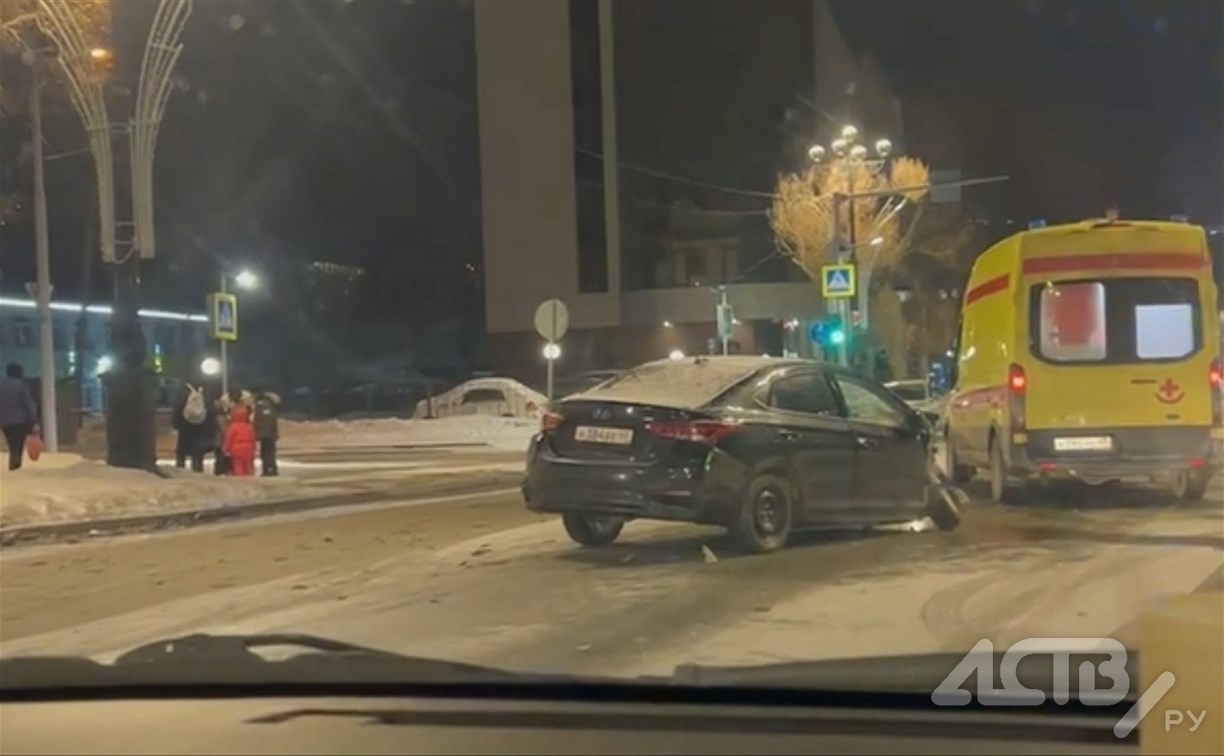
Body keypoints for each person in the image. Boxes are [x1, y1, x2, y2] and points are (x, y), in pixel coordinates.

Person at [0, 363, 40, 471]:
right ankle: (15, 466)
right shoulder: (22, 386)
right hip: (19, 421)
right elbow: (29, 404)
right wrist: (34, 420)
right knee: (17, 444)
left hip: (4, 421)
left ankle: (14, 463)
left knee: (12, 443)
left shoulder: (1, 385)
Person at [171, 382, 212, 473]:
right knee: (198, 454)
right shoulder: (204, 393)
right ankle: (197, 472)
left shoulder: (182, 392)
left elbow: (177, 410)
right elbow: (210, 411)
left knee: (181, 453)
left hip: (184, 429)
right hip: (200, 429)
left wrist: (176, 425)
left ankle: (180, 472)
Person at [251, 387, 281, 476]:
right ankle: (273, 469)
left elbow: (255, 422)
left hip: (262, 434)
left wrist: (255, 434)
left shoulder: (257, 408)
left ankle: (266, 470)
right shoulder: (271, 406)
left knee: (264, 453)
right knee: (272, 453)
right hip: (272, 434)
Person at [222, 405, 258, 477]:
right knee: (249, 466)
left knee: (238, 465)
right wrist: (254, 449)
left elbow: (228, 439)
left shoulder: (232, 427)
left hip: (236, 450)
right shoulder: (249, 427)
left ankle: (240, 480)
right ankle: (251, 479)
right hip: (248, 449)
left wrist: (225, 449)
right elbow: (253, 439)